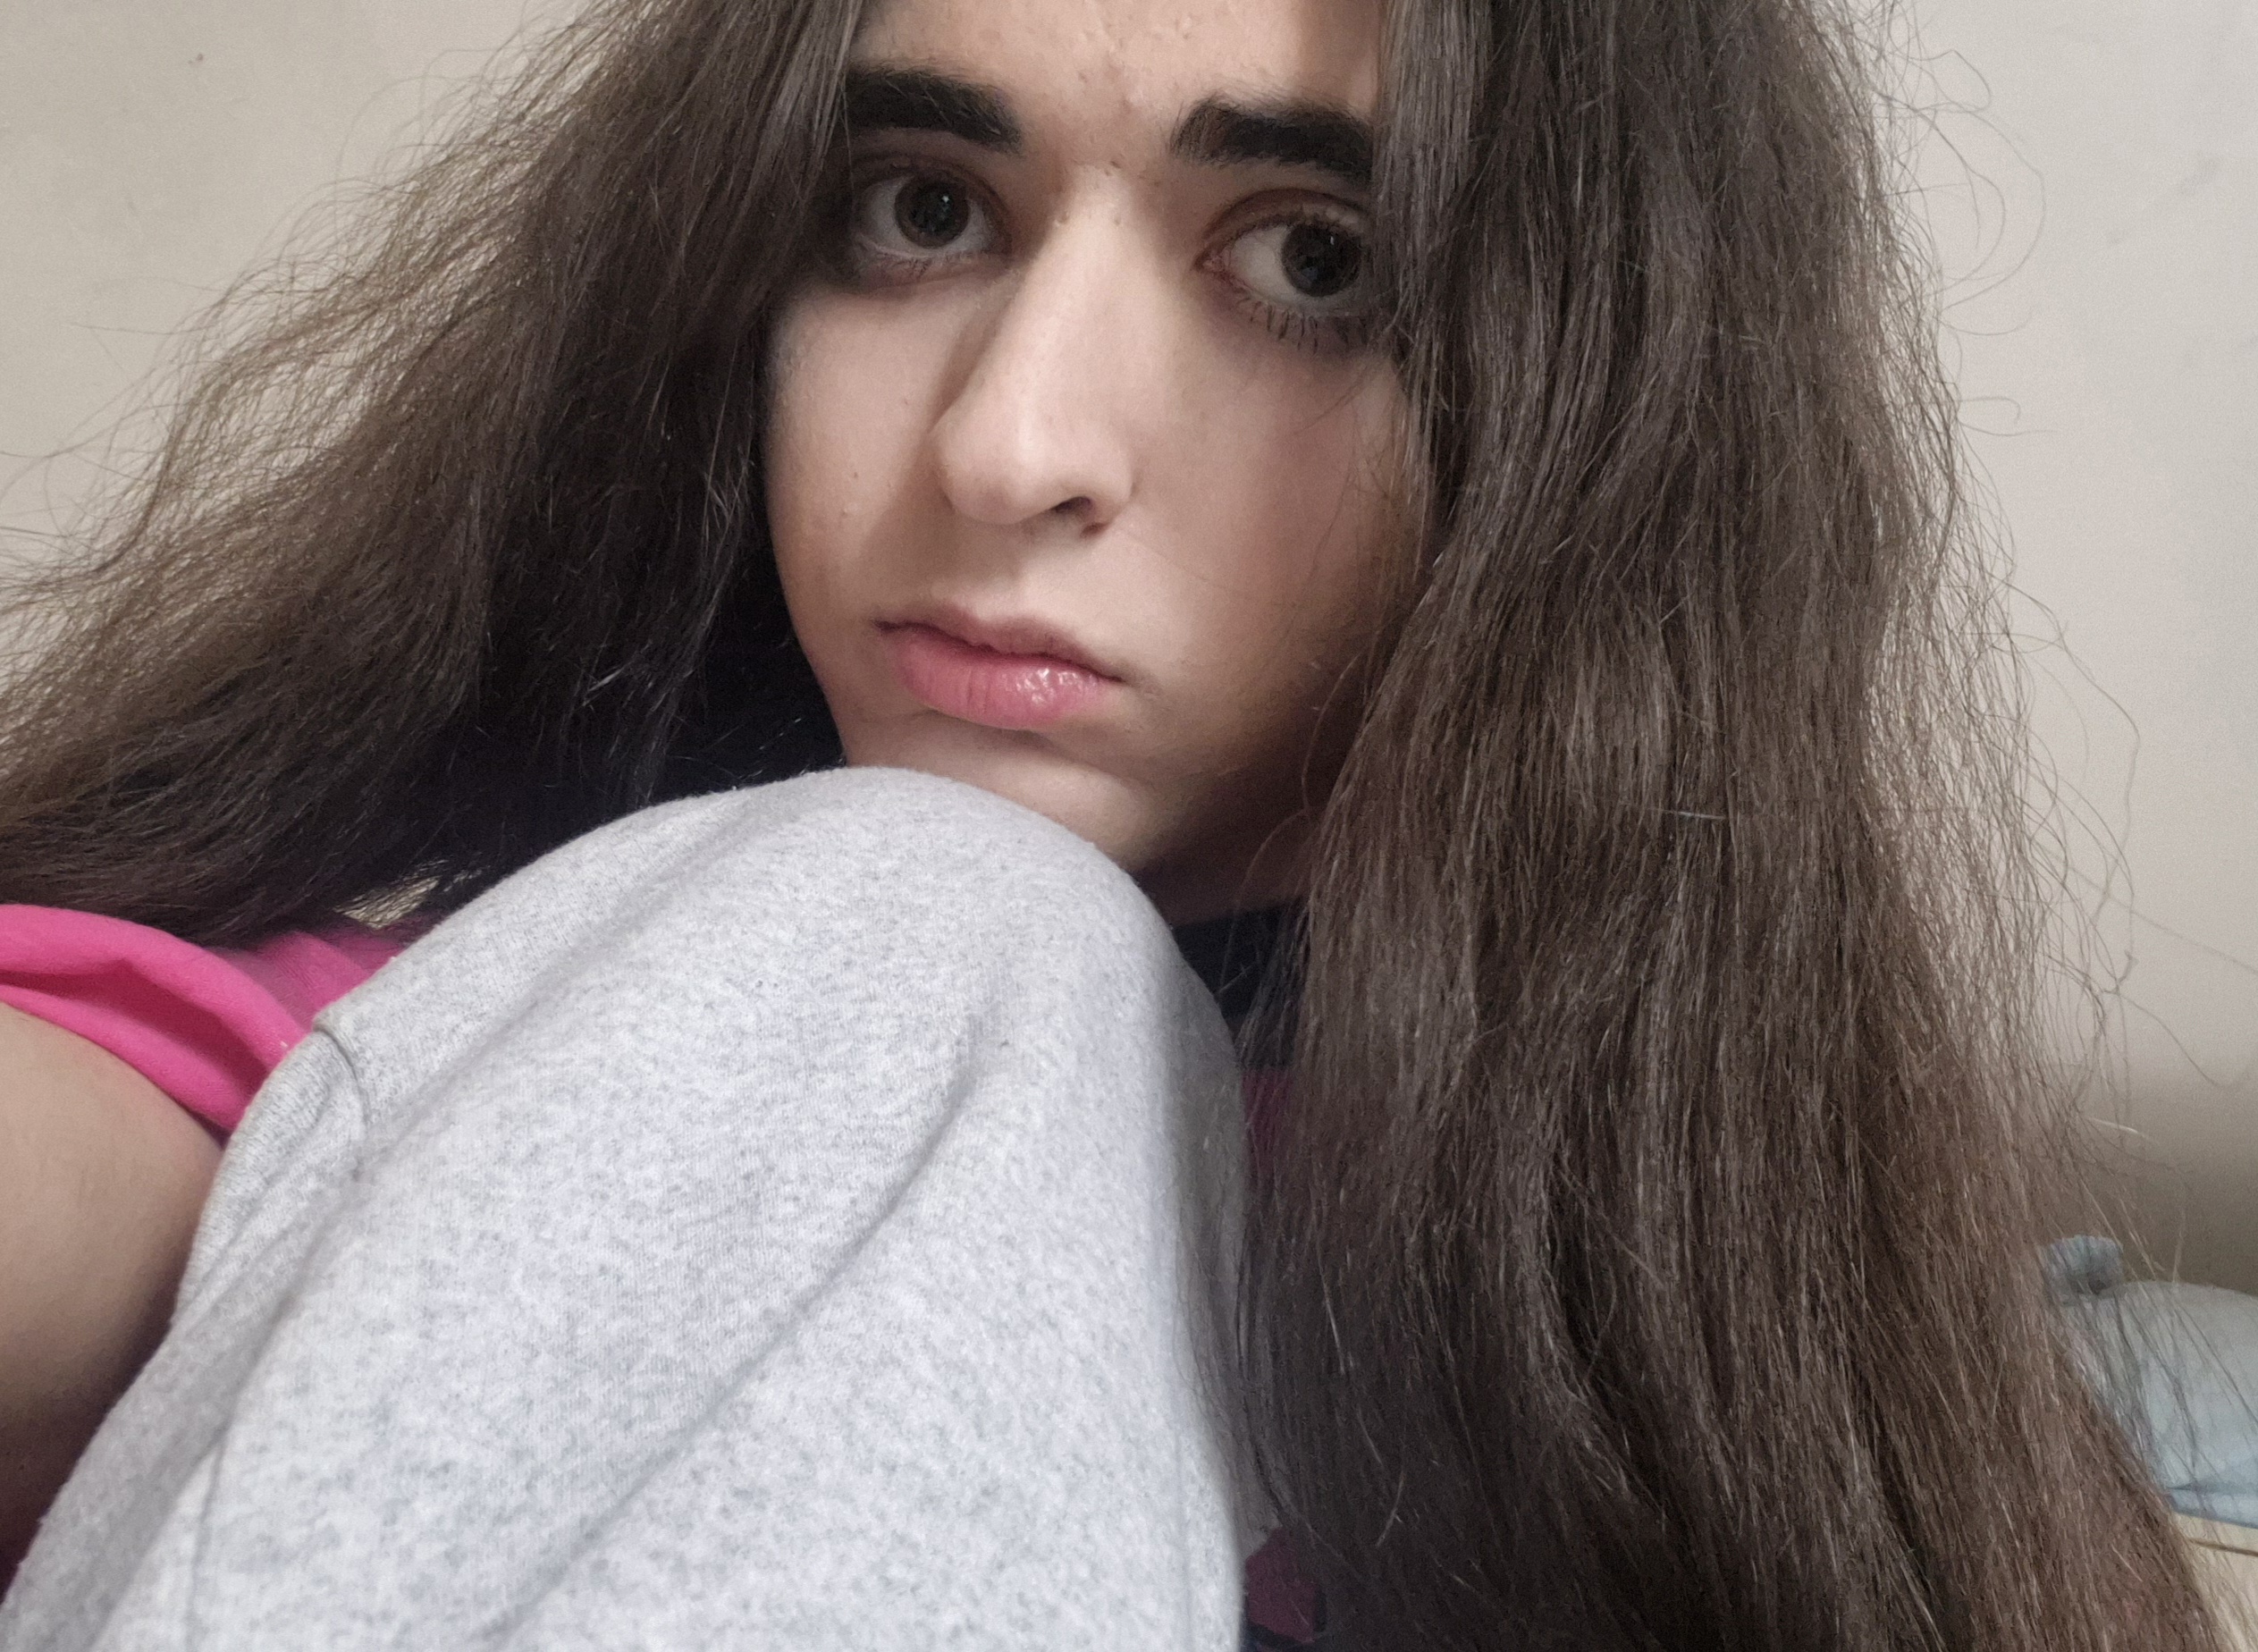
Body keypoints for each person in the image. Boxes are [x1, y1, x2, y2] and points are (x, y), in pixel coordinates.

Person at [0, 0, 2237, 1644]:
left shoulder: (1798, 1364)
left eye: (1315, 262)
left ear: (1604, 426)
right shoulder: (496, 1035)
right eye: (920, 211)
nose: (1010, 446)